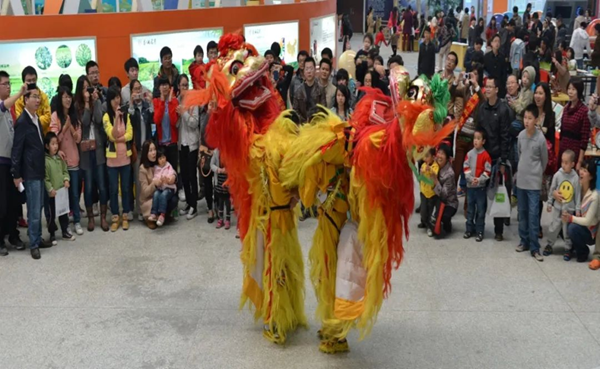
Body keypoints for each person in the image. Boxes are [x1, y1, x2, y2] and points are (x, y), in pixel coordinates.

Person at [11, 87, 53, 259]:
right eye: (34, 97)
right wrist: (16, 173)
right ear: (25, 99)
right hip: (30, 172)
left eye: (39, 97)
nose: (38, 100)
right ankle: (34, 244)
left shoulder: (35, 119)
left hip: (39, 169)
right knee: (34, 210)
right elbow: (17, 149)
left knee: (40, 207)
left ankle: (36, 237)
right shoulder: (22, 122)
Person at [477, 77, 512, 241]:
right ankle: (480, 228)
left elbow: (505, 136)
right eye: (486, 87)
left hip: (497, 158)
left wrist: (503, 160)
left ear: (497, 90)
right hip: (484, 157)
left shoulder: (503, 109)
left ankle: (499, 230)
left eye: (491, 87)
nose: (488, 89)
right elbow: (479, 131)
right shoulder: (482, 107)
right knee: (481, 195)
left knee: (498, 193)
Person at [74, 75, 108, 232]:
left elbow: (99, 120)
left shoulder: (96, 101)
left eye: (88, 87)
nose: (86, 91)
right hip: (86, 152)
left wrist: (96, 101)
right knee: (88, 187)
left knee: (102, 184)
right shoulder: (77, 106)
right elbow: (85, 122)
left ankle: (102, 217)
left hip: (99, 148)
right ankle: (91, 218)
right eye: (83, 88)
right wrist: (87, 103)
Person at [515, 104, 548, 261]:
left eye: (529, 118)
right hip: (521, 180)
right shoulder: (520, 136)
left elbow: (544, 160)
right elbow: (520, 154)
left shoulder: (540, 138)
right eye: (525, 118)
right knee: (522, 213)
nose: (526, 121)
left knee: (533, 215)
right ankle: (524, 241)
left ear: (536, 120)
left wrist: (538, 174)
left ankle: (535, 247)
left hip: (534, 182)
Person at [49, 86, 83, 236]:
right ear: (60, 99)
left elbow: (78, 139)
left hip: (74, 159)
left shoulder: (74, 116)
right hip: (59, 163)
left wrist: (72, 128)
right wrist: (64, 128)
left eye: (70, 97)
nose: (68, 99)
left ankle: (76, 220)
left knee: (75, 193)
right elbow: (54, 140)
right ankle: (64, 224)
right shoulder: (55, 116)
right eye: (65, 97)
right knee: (62, 195)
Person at [0, 71, 26, 255]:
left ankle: (13, 234)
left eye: (10, 83)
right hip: (0, 163)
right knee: (2, 203)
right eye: (5, 84)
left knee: (13, 202)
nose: (9, 86)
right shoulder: (3, 107)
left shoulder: (9, 111)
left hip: (12, 162)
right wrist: (20, 93)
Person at [103, 86, 133, 232]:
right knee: (113, 189)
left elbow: (130, 135)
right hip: (112, 161)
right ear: (110, 100)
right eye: (114, 98)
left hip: (125, 158)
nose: (117, 100)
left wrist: (118, 139)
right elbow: (112, 135)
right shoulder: (106, 116)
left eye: (118, 97)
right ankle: (115, 216)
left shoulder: (126, 115)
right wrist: (116, 118)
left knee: (126, 188)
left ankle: (125, 215)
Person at [544, 150, 581, 257]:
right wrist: (550, 203)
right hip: (557, 208)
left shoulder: (575, 178)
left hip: (568, 210)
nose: (563, 165)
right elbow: (552, 189)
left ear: (573, 164)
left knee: (566, 230)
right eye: (562, 162)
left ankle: (568, 248)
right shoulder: (557, 175)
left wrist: (577, 210)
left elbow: (577, 195)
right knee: (554, 227)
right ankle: (549, 244)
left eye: (566, 163)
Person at [127, 78, 154, 221]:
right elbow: (130, 123)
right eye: (135, 89)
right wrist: (131, 104)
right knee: (138, 181)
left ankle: (149, 208)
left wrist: (150, 103)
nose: (138, 91)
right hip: (136, 149)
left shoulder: (145, 106)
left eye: (139, 89)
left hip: (148, 149)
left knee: (149, 179)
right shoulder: (129, 108)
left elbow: (152, 121)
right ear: (131, 92)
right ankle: (138, 208)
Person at [563, 160, 599, 264]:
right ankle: (572, 247)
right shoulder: (577, 188)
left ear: (591, 176)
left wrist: (571, 218)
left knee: (572, 228)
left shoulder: (594, 196)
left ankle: (583, 251)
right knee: (562, 225)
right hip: (580, 225)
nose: (581, 172)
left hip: (591, 233)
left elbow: (588, 221)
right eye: (581, 169)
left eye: (585, 171)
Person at [44, 132, 75, 244]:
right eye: (52, 144)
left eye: (56, 143)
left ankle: (65, 231)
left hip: (62, 192)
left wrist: (66, 179)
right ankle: (52, 234)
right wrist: (50, 189)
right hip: (52, 194)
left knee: (63, 213)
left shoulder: (60, 158)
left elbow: (65, 171)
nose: (56, 146)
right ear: (47, 146)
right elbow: (45, 178)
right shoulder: (46, 161)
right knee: (51, 215)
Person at [176, 74, 200, 220]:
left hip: (192, 143)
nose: (185, 87)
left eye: (186, 85)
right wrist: (178, 116)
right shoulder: (177, 101)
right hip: (181, 143)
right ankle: (188, 203)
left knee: (192, 176)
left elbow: (194, 123)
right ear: (178, 86)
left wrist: (184, 113)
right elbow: (177, 125)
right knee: (184, 175)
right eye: (182, 85)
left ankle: (194, 206)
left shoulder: (194, 101)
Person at [463, 129, 492, 241]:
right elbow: (466, 168)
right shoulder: (469, 154)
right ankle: (469, 229)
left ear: (483, 141)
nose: (476, 141)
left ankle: (480, 230)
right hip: (470, 188)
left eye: (478, 139)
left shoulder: (486, 156)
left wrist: (479, 180)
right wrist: (470, 179)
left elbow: (487, 171)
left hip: (480, 188)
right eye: (475, 138)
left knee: (480, 210)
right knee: (470, 209)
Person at [560, 78, 590, 170]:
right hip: (563, 148)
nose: (570, 92)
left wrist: (579, 161)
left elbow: (584, 138)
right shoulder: (566, 108)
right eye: (569, 89)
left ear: (579, 91)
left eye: (573, 89)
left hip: (575, 151)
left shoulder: (584, 111)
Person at [14, 66, 51, 134]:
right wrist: (34, 122)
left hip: (43, 135)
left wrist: (32, 122)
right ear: (24, 82)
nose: (32, 83)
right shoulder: (19, 100)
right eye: (29, 80)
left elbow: (48, 117)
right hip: (27, 135)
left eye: (34, 80)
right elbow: (19, 120)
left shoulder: (43, 96)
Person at [153, 78, 179, 173]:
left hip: (172, 143)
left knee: (173, 171)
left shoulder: (174, 101)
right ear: (159, 88)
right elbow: (156, 120)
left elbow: (174, 122)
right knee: (162, 171)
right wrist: (162, 102)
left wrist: (170, 102)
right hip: (161, 144)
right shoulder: (156, 101)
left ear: (170, 87)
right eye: (162, 85)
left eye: (166, 84)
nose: (164, 87)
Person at [431, 144, 458, 238]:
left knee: (443, 218)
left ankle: (447, 225)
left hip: (449, 203)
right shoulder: (434, 165)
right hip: (437, 199)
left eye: (442, 154)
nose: (439, 155)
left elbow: (443, 195)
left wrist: (435, 180)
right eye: (438, 152)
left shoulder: (450, 173)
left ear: (447, 158)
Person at [147, 147, 177, 227]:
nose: (162, 160)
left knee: (164, 195)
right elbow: (155, 178)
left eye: (163, 157)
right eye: (160, 158)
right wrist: (158, 181)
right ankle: (154, 213)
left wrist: (169, 179)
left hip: (169, 188)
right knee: (156, 194)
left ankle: (162, 215)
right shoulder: (156, 168)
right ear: (157, 160)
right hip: (160, 188)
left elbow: (172, 174)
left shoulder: (168, 165)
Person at [293, 57, 326, 122]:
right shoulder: (298, 91)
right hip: (302, 126)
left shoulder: (321, 89)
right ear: (304, 71)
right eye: (307, 69)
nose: (309, 71)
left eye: (311, 68)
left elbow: (323, 109)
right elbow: (295, 111)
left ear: (315, 70)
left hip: (317, 125)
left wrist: (314, 120)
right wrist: (304, 122)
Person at [418, 148, 439, 233]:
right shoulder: (423, 165)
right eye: (424, 156)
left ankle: (429, 226)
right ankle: (423, 221)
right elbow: (420, 178)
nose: (425, 158)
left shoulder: (435, 166)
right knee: (423, 209)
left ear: (433, 157)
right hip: (423, 192)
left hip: (431, 193)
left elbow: (435, 175)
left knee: (430, 210)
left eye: (427, 156)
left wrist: (429, 170)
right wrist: (421, 173)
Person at [210, 148, 231, 230]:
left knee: (227, 201)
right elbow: (212, 165)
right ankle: (220, 219)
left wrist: (227, 170)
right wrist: (218, 169)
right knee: (220, 201)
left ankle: (228, 219)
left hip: (228, 181)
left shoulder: (230, 151)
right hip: (219, 181)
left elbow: (234, 164)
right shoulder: (216, 152)